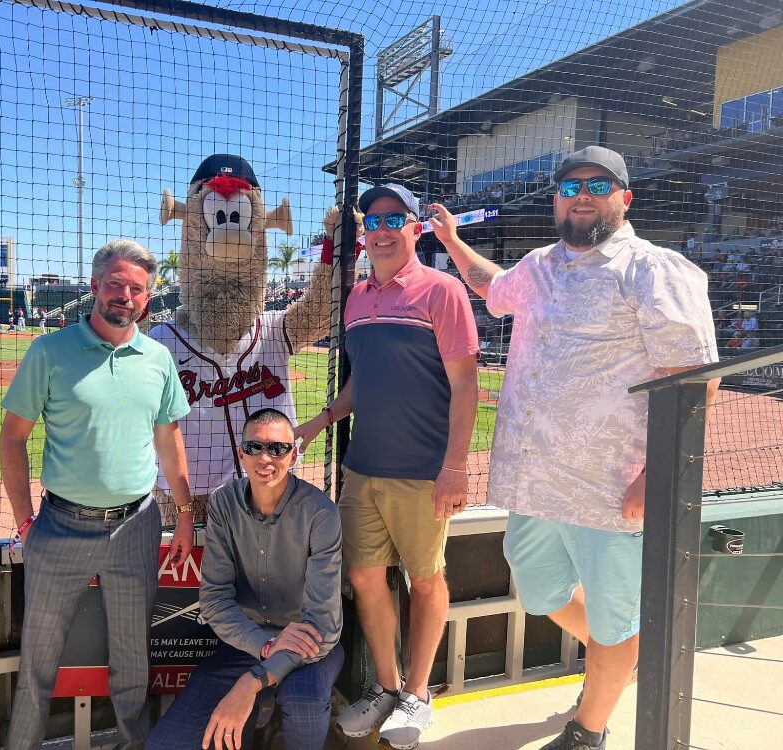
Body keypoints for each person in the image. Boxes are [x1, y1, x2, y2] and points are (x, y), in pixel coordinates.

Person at [430, 145, 718, 750]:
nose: (581, 195)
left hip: (609, 488)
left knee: (615, 615)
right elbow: (492, 288)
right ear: (556, 200)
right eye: (569, 186)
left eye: (597, 185)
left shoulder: (652, 268)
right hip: (535, 482)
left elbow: (694, 377)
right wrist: (452, 241)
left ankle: (589, 728)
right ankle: (618, 661)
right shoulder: (538, 265)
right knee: (539, 587)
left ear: (624, 198)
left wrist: (657, 473)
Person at [296, 183, 479, 749]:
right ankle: (387, 686)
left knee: (425, 580)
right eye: (372, 221)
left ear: (415, 229)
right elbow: (362, 382)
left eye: (394, 219)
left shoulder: (442, 291)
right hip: (363, 467)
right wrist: (320, 421)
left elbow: (465, 383)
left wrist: (455, 467)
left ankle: (418, 694)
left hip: (423, 470)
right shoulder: (356, 299)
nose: (381, 230)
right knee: (363, 577)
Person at [0, 239, 195, 750]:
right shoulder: (49, 352)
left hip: (136, 527)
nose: (125, 296)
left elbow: (169, 440)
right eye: (116, 284)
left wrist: (185, 513)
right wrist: (25, 522)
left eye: (137, 289)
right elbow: (12, 438)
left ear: (147, 298)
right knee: (38, 664)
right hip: (60, 527)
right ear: (94, 286)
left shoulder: (157, 359)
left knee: (133, 663)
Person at [147, 408, 343, 750]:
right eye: (254, 447)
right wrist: (265, 647)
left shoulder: (320, 513)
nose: (265, 458)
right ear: (241, 454)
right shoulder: (224, 504)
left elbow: (322, 628)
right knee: (165, 745)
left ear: (293, 455)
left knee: (305, 704)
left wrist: (252, 682)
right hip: (246, 643)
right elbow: (215, 601)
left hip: (309, 649)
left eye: (278, 449)